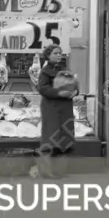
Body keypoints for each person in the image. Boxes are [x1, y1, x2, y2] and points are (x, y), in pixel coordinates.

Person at [37, 45, 77, 179]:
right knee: (51, 137)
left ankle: (60, 170)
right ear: (48, 55)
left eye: (60, 53)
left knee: (66, 136)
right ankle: (46, 170)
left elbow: (75, 84)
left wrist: (76, 91)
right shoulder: (44, 72)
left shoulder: (65, 70)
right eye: (55, 53)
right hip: (51, 108)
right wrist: (60, 93)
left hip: (66, 108)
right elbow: (42, 89)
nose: (59, 55)